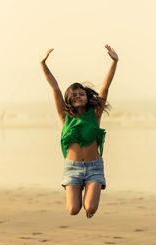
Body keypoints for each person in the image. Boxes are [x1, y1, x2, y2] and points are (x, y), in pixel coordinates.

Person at [40, 44, 119, 218]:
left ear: (87, 97)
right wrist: (43, 65)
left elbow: (105, 88)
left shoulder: (95, 115)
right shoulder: (64, 116)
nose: (78, 96)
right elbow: (55, 89)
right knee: (73, 210)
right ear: (69, 99)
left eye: (81, 94)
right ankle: (79, 194)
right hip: (72, 168)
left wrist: (114, 62)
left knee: (90, 208)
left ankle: (90, 203)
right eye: (74, 95)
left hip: (94, 167)